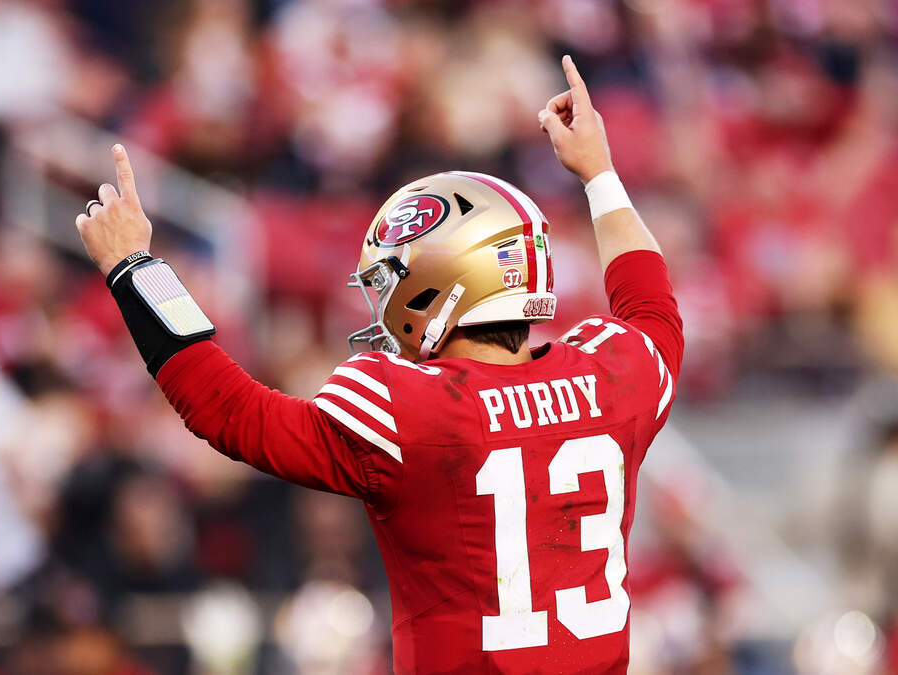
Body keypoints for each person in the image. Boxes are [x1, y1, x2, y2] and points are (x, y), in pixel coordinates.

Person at [74, 56, 683, 674]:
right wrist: (599, 173)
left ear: (438, 286)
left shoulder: (408, 406)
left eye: (391, 283)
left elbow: (231, 414)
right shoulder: (616, 374)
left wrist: (135, 270)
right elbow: (651, 305)